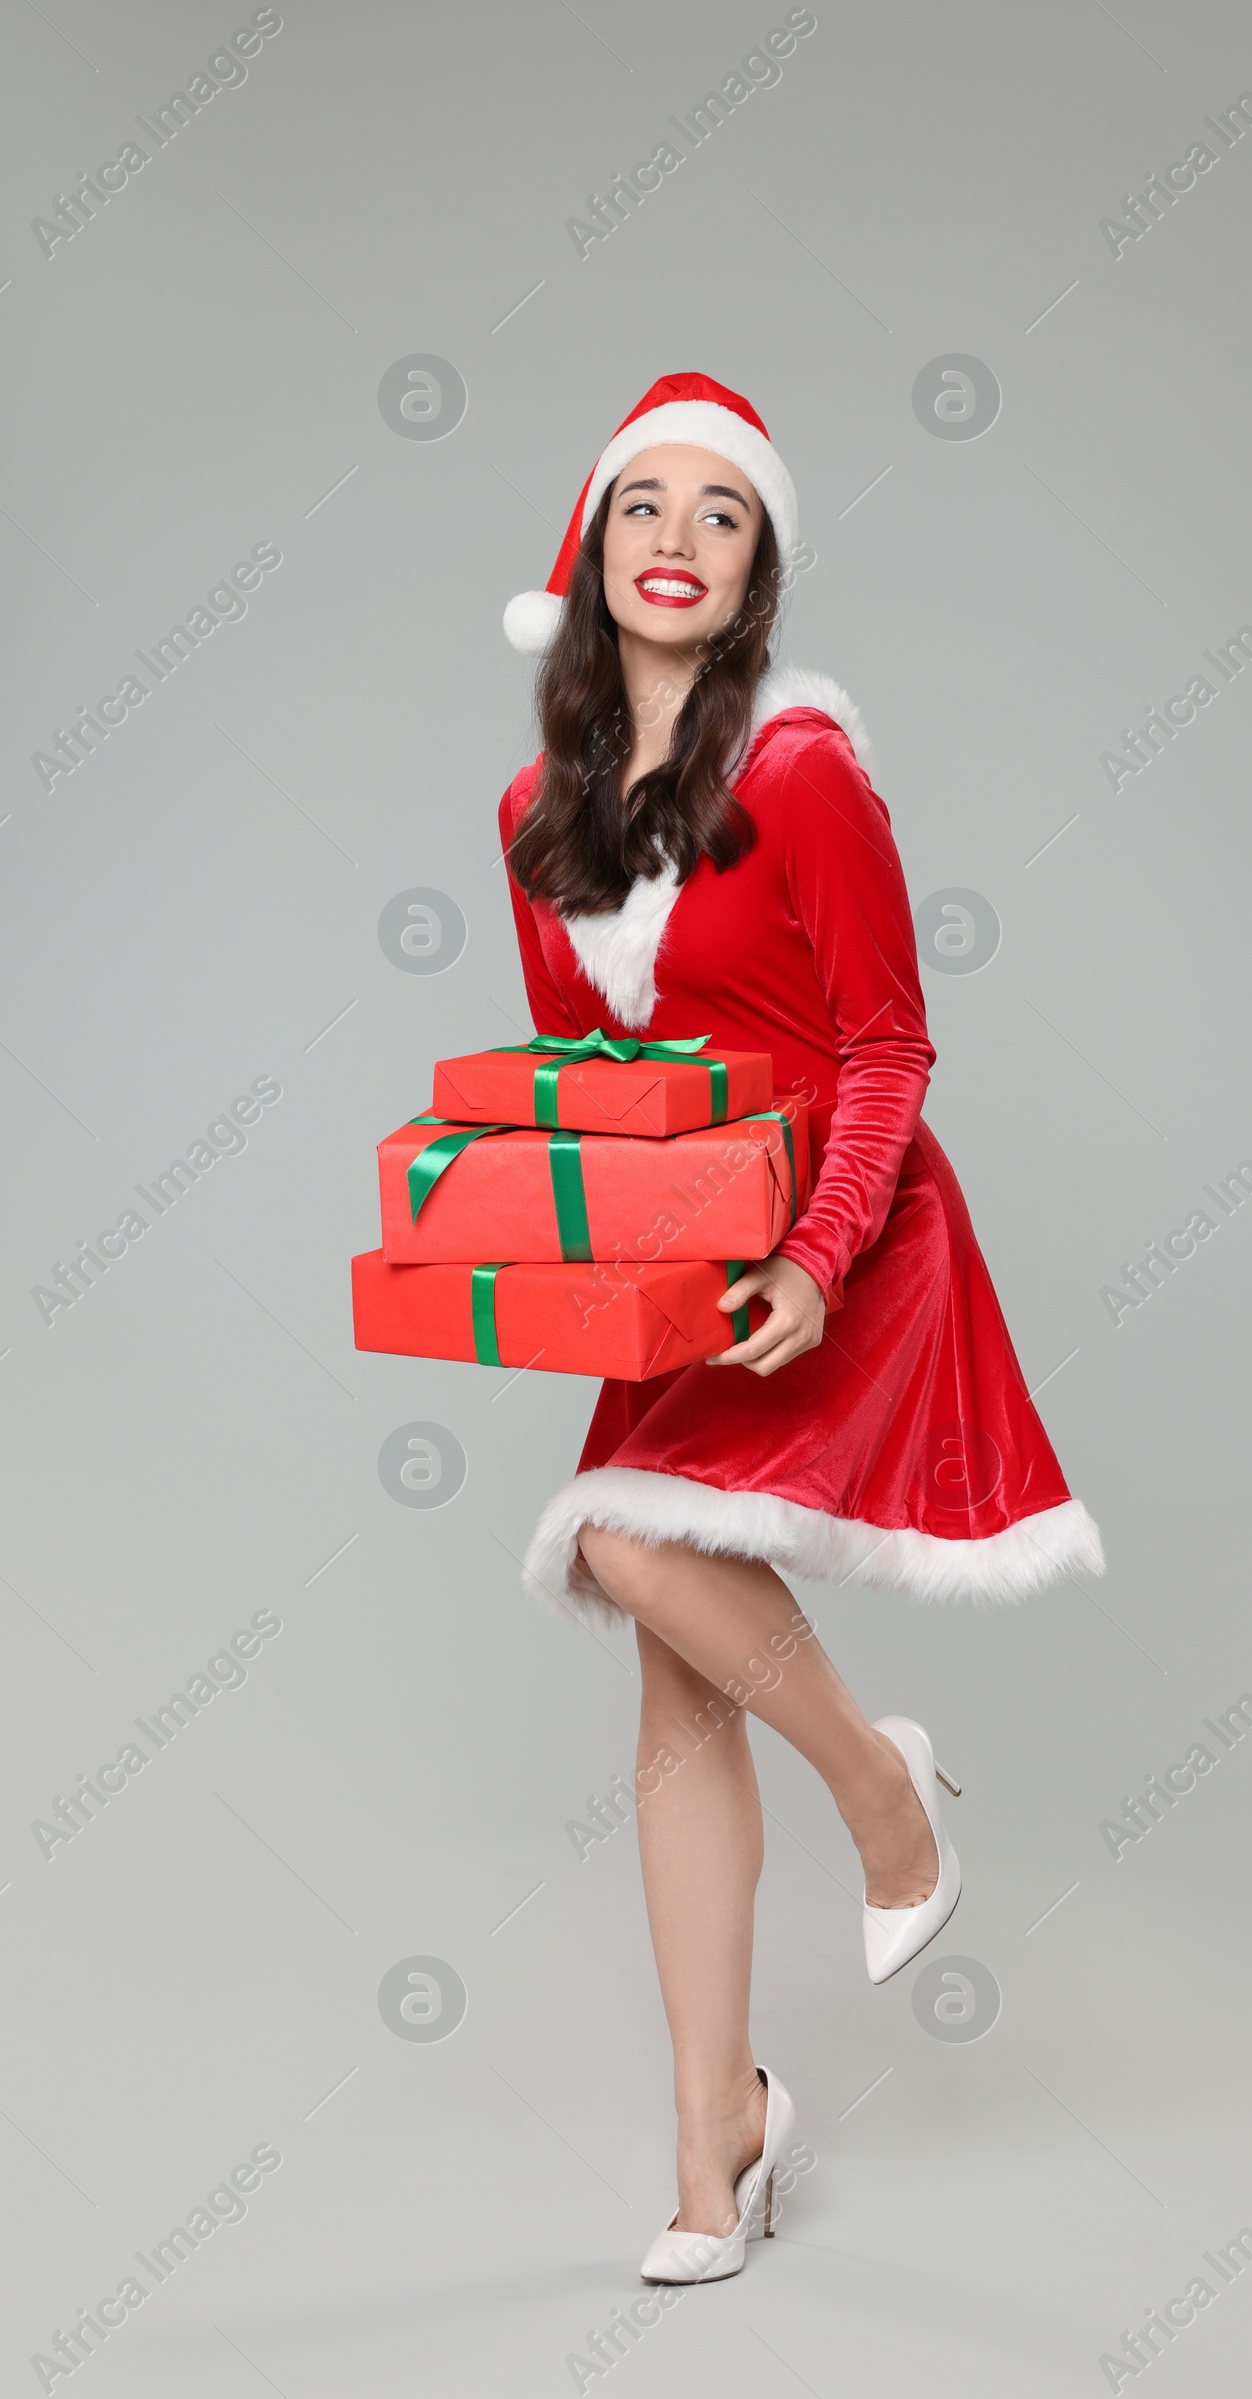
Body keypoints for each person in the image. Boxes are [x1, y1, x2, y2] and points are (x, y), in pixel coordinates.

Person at [497, 374, 1103, 2284]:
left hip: (834, 1241)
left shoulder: (809, 770)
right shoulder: (537, 811)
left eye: (722, 514)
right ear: (594, 554)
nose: (675, 539)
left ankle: (877, 1784)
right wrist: (535, 1235)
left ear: (756, 572)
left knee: (621, 1543)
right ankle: (719, 2146)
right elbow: (586, 1081)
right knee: (676, 1692)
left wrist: (823, 1258)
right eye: (641, 508)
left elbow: (888, 1043)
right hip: (680, 1269)